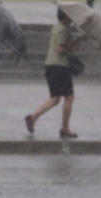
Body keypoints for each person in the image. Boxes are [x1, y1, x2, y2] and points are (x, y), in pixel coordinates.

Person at [24, 9, 83, 139]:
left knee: (55, 98)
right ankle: (65, 127)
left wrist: (76, 41)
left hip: (50, 65)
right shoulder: (63, 29)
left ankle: (33, 118)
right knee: (69, 97)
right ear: (66, 16)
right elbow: (60, 49)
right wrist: (71, 46)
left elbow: (68, 46)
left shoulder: (57, 27)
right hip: (60, 66)